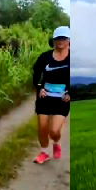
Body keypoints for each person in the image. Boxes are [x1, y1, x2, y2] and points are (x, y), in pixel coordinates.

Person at [31, 26, 71, 164]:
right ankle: (44, 153)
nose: (60, 41)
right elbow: (36, 73)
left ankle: (56, 143)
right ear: (53, 41)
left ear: (69, 41)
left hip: (62, 99)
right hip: (45, 97)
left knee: (54, 131)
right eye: (57, 39)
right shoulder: (45, 57)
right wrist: (39, 87)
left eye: (63, 38)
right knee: (42, 127)